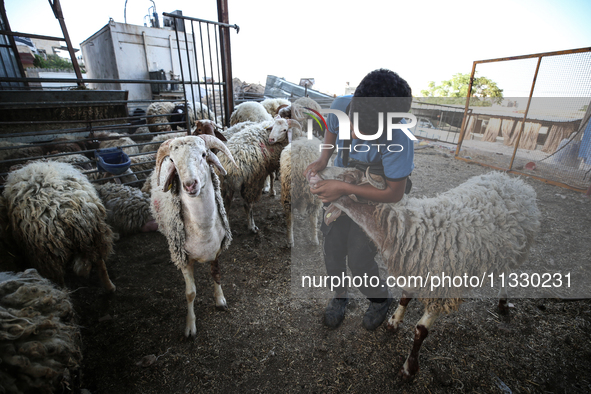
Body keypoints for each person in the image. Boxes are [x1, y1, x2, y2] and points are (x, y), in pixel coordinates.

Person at [304, 69, 414, 330]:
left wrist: (342, 188)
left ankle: (379, 300)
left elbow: (394, 192)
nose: (355, 136)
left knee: (359, 257)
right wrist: (323, 160)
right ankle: (339, 296)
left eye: (369, 135)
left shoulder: (399, 136)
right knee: (332, 250)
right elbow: (332, 130)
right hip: (342, 186)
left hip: (375, 197)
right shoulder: (341, 106)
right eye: (354, 127)